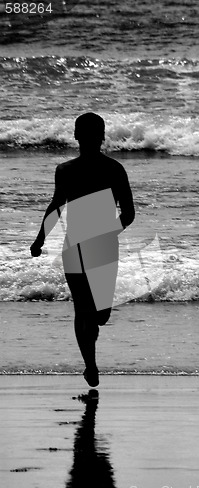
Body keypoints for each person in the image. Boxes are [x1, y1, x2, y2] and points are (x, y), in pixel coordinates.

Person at [30, 113, 135, 387]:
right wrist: (40, 238)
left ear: (80, 136)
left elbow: (128, 213)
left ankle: (90, 361)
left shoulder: (105, 170)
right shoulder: (80, 170)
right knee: (88, 311)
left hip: (90, 245)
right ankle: (91, 365)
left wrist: (41, 239)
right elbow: (57, 206)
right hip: (86, 246)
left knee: (96, 314)